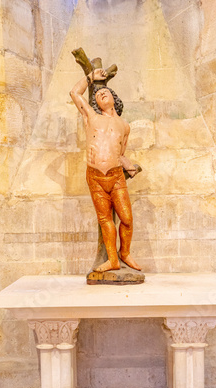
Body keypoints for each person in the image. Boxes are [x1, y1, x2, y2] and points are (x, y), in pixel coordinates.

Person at [70, 68, 141, 273]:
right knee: (105, 219)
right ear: (95, 103)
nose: (102, 93)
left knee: (126, 219)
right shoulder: (90, 117)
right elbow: (75, 93)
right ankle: (112, 260)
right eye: (98, 94)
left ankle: (125, 253)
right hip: (95, 176)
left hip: (116, 176)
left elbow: (120, 152)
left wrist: (128, 165)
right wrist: (90, 77)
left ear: (114, 98)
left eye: (106, 92)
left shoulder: (124, 125)